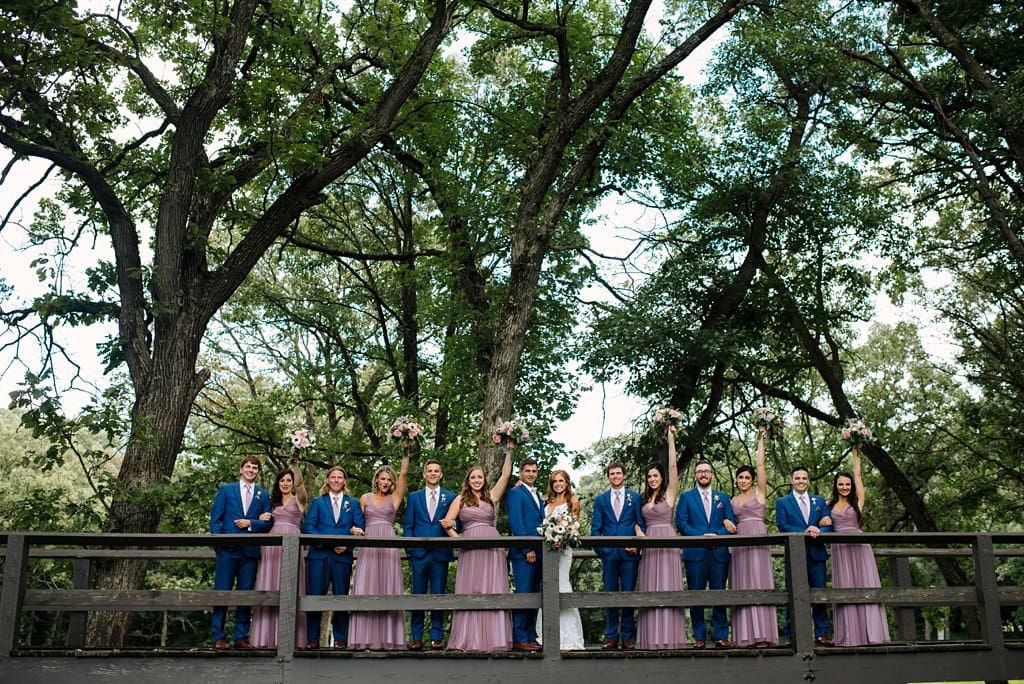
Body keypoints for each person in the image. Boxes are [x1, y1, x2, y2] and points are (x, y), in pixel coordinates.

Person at [441, 442, 514, 652]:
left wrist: (509, 451)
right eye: (473, 477)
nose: (476, 480)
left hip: (492, 546)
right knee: (472, 588)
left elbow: (505, 476)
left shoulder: (492, 497)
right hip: (470, 547)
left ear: (484, 480)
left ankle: (494, 638)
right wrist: (458, 539)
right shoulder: (460, 499)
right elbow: (447, 523)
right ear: (468, 480)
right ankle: (469, 637)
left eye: (479, 477)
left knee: (492, 588)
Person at [348, 447, 411, 650]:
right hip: (369, 545)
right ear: (377, 480)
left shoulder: (394, 499)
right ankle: (365, 638)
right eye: (382, 479)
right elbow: (356, 521)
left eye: (389, 480)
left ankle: (388, 639)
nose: (385, 482)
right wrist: (354, 530)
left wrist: (406, 451)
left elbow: (404, 474)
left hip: (388, 544)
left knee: (387, 587)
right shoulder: (364, 498)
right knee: (367, 587)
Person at [828, 445, 890, 646]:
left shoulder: (857, 502)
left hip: (859, 546)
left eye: (847, 484)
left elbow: (859, 475)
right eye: (841, 484)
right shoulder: (829, 506)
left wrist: (855, 451)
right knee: (845, 586)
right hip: (840, 549)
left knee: (865, 584)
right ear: (835, 485)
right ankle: (850, 635)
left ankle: (872, 634)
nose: (845, 487)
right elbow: (822, 522)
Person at [209, 456, 273, 650]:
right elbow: (215, 520)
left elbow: (269, 524)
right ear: (241, 469)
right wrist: (219, 544)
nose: (251, 470)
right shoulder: (226, 490)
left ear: (258, 472)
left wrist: (252, 522)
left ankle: (241, 637)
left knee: (245, 594)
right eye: (248, 466)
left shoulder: (263, 496)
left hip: (250, 551)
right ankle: (218, 636)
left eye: (255, 468)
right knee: (222, 592)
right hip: (228, 550)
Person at [675, 458, 737, 648]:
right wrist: (702, 536)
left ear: (712, 474)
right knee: (696, 595)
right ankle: (699, 637)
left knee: (719, 594)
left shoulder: (722, 498)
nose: (703, 474)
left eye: (707, 471)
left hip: (719, 553)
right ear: (695, 475)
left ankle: (721, 636)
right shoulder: (686, 497)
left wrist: (717, 534)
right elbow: (681, 523)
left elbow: (732, 524)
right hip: (695, 552)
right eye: (700, 471)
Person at [302, 466, 366, 649]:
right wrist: (340, 536)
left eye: (340, 477)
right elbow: (309, 528)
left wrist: (347, 544)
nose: (337, 480)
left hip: (342, 557)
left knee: (341, 597)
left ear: (345, 481)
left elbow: (360, 529)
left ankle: (339, 638)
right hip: (319, 557)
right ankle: (312, 639)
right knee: (315, 596)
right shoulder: (318, 502)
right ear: (328, 480)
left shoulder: (352, 504)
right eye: (333, 477)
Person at [634, 428, 687, 649]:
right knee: (649, 586)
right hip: (649, 543)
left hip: (666, 539)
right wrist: (638, 529)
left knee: (667, 584)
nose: (652, 479)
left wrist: (671, 438)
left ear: (662, 477)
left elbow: (674, 467)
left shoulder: (670, 494)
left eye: (655, 475)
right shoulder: (644, 498)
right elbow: (638, 520)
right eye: (649, 476)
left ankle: (669, 638)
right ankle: (650, 639)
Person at [729, 427, 779, 648]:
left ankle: (764, 634)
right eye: (740, 477)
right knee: (742, 583)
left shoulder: (759, 494)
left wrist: (760, 439)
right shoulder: (732, 500)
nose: (743, 480)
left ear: (752, 480)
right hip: (740, 543)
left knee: (759, 581)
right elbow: (727, 520)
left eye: (747, 477)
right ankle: (745, 635)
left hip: (757, 538)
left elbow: (761, 466)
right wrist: (725, 523)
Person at [251, 463, 309, 648]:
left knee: (292, 585)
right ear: (277, 483)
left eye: (288, 480)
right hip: (273, 545)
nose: (285, 483)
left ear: (293, 483)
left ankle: (291, 637)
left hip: (292, 541)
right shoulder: (271, 502)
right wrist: (260, 518)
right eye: (282, 480)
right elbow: (261, 519)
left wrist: (296, 464)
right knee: (270, 584)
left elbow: (301, 488)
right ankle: (266, 637)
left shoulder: (299, 499)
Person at [776, 465, 833, 646]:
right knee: (792, 594)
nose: (801, 481)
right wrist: (806, 529)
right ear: (792, 480)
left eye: (804, 478)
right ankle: (792, 634)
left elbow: (829, 524)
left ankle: (821, 633)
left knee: (819, 594)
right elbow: (783, 525)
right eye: (797, 478)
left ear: (808, 480)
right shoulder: (783, 502)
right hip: (795, 554)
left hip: (817, 553)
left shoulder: (819, 501)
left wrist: (819, 528)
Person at [403, 458, 456, 650]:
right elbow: (408, 526)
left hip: (440, 554)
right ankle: (416, 637)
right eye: (430, 471)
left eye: (436, 471)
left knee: (438, 595)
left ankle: (436, 637)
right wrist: (410, 550)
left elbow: (456, 521)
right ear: (425, 474)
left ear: (441, 474)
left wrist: (454, 526)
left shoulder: (450, 497)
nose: (433, 473)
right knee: (417, 595)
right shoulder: (414, 497)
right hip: (418, 554)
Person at [590, 460, 644, 650]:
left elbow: (641, 524)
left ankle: (627, 637)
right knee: (610, 594)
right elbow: (595, 529)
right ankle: (611, 636)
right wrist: (604, 551)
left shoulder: (635, 498)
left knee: (629, 594)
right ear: (608, 477)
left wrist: (637, 547)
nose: (615, 477)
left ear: (624, 475)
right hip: (610, 554)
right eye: (612, 474)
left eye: (618, 473)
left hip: (629, 554)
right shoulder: (601, 500)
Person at [541, 469, 584, 650]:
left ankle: (569, 637)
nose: (558, 484)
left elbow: (574, 528)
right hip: (548, 550)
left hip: (563, 550)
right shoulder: (547, 502)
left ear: (567, 482)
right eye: (554, 481)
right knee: (548, 585)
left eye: (561, 481)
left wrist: (562, 537)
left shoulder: (572, 501)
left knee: (562, 584)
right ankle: (548, 635)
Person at [506, 456, 544, 651]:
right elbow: (517, 523)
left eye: (534, 471)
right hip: (524, 553)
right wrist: (526, 548)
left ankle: (530, 635)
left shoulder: (537, 495)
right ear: (521, 472)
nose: (531, 474)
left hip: (540, 553)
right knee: (523, 593)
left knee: (535, 595)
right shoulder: (515, 493)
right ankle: (519, 637)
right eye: (528, 471)